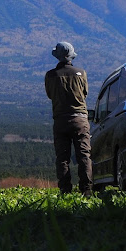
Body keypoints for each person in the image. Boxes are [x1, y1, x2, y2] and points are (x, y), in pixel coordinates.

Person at [44, 42, 93, 195]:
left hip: (60, 120)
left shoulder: (51, 75)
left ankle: (65, 190)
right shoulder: (81, 73)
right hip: (80, 119)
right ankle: (86, 189)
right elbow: (84, 93)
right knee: (84, 155)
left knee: (62, 157)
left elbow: (50, 95)